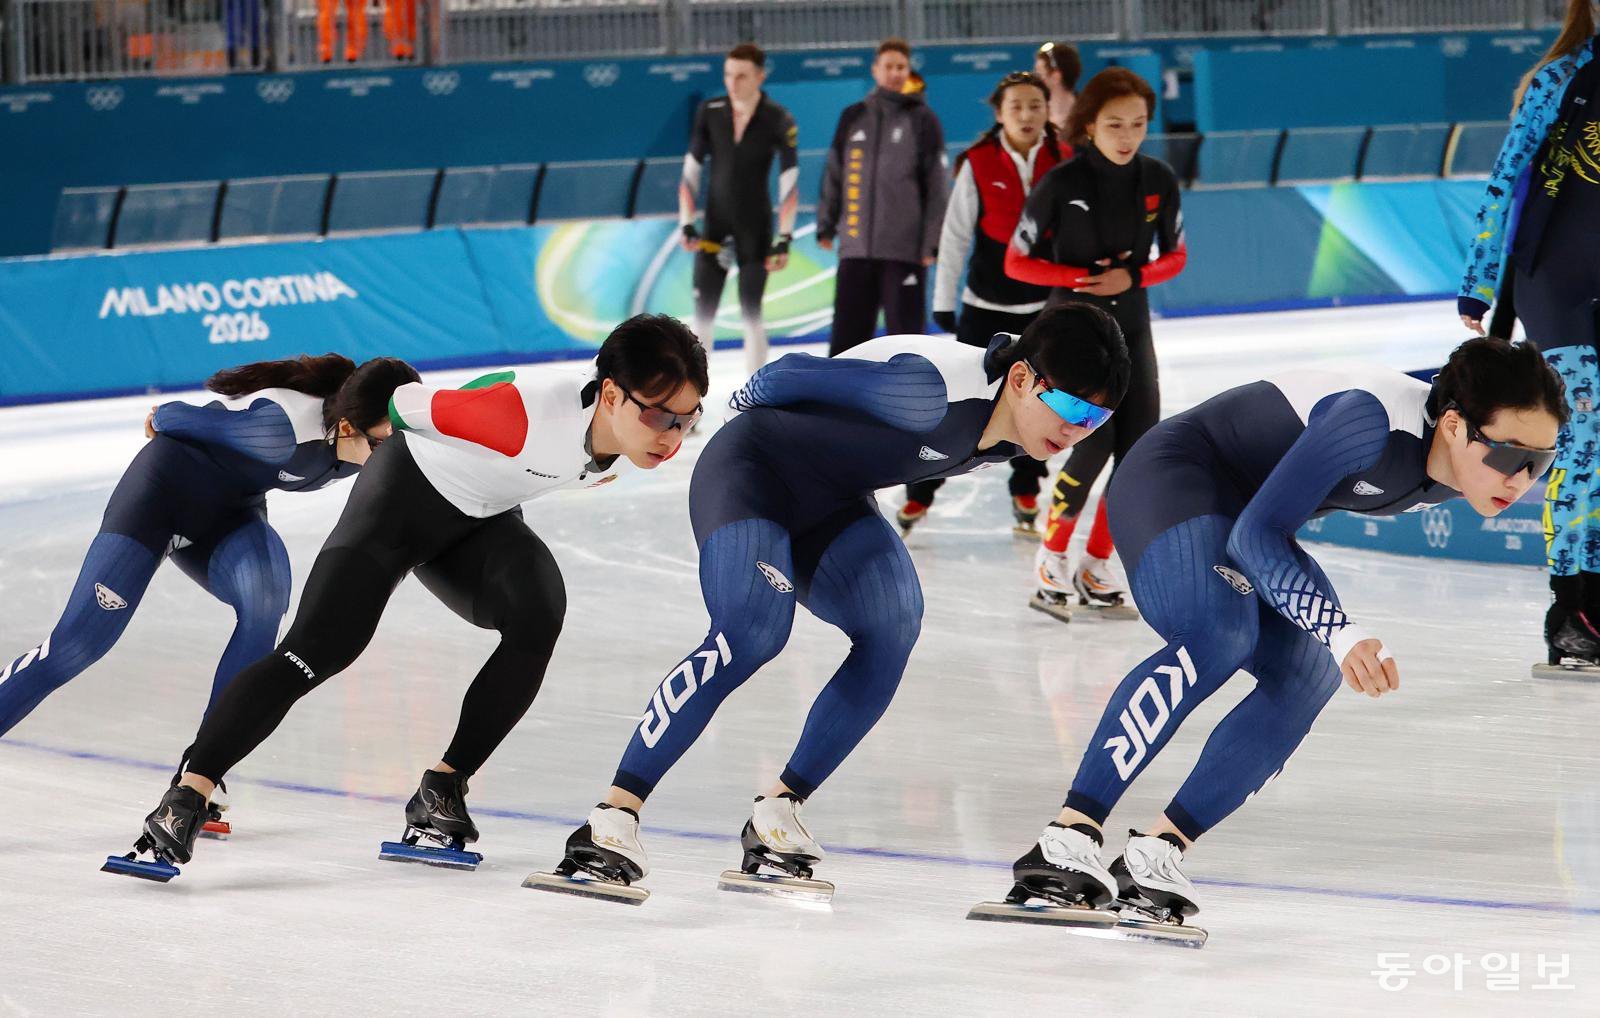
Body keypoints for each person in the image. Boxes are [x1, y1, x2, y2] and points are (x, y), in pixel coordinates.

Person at [534, 303, 1131, 901]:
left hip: (830, 501)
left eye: (1098, 418)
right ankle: (612, 816)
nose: (1079, 431)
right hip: (752, 473)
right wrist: (737, 425)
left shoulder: (1017, 429)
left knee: (894, 622)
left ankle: (778, 812)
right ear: (1023, 379)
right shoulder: (925, 391)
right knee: (753, 631)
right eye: (1074, 409)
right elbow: (787, 373)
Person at [109, 315, 709, 880]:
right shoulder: (520, 415)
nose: (674, 437)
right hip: (398, 505)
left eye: (689, 419)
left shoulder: (619, 432)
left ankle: (441, 789)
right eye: (662, 418)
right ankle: (187, 794)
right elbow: (403, 400)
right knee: (314, 653)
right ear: (609, 395)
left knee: (538, 615)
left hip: (479, 519)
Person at [995, 337, 1564, 932]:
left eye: (1541, 463)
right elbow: (1256, 538)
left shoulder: (1464, 459)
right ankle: (1069, 833)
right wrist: (1342, 630)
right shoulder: (1368, 421)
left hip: (1246, 515)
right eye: (1508, 455)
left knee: (1309, 671)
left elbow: (1263, 527)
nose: (1521, 478)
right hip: (1175, 478)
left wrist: (1333, 638)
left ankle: (1158, 850)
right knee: (1220, 631)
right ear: (1452, 425)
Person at [0, 353, 416, 812]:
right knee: (75, 648)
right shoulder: (279, 431)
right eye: (384, 445)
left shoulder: (368, 438)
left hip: (230, 515)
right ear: (348, 428)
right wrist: (159, 417)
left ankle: (196, 776)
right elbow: (176, 416)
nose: (392, 456)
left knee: (266, 601)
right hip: (157, 503)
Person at [1005, 67, 1187, 621]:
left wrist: (1131, 280)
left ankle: (1096, 564)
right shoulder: (1061, 183)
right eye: (1114, 124)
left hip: (1132, 328)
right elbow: (1016, 260)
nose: (1127, 135)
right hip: (1074, 335)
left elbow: (1176, 256)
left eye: (1138, 124)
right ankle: (1052, 556)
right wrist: (1077, 276)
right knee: (1088, 446)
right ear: (1088, 125)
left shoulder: (1158, 180)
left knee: (1137, 454)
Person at [1457, 0, 1600, 668]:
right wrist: (1481, 282)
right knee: (1585, 439)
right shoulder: (1561, 77)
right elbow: (1503, 180)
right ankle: (1573, 608)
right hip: (1558, 283)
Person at [905, 70, 1070, 537]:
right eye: (1016, 106)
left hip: (1045, 309)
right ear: (999, 113)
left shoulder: (1064, 159)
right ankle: (921, 492)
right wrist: (944, 301)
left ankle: (1026, 489)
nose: (1026, 114)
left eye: (1035, 105)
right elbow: (955, 236)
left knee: (1041, 405)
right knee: (962, 404)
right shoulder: (977, 163)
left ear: (1046, 112)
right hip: (984, 307)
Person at [817, 37, 950, 355]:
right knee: (846, 344)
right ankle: (839, 402)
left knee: (908, 344)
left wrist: (931, 242)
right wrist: (826, 223)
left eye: (900, 67)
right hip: (855, 249)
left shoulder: (922, 119)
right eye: (888, 66)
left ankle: (910, 403)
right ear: (875, 70)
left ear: (908, 71)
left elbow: (937, 187)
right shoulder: (853, 116)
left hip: (903, 252)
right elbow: (835, 173)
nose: (894, 72)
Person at [680, 43, 800, 380]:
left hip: (755, 230)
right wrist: (686, 223)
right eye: (729, 75)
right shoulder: (710, 110)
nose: (733, 83)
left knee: (753, 314)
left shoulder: (778, 118)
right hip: (714, 229)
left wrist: (785, 237)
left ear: (760, 77)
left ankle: (757, 398)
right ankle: (691, 400)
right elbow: (691, 167)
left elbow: (789, 179)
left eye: (742, 76)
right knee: (701, 319)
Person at [1035, 41, 1082, 137]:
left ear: (1056, 76)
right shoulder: (1035, 119)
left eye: (1039, 74)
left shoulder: (1088, 116)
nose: (1035, 80)